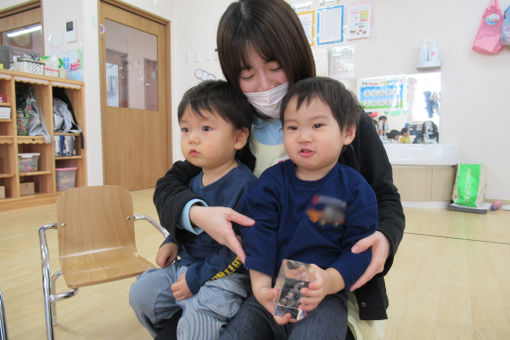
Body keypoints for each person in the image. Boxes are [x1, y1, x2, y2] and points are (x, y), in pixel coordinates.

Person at [153, 0, 405, 338]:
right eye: (247, 74)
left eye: (275, 67)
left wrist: (384, 240)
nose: (264, 85)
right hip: (249, 281)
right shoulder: (235, 129)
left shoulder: (343, 120)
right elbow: (173, 184)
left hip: (330, 288)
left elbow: (384, 195)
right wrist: (197, 214)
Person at [233, 77, 378, 339]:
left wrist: (330, 281)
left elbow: (360, 248)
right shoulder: (272, 181)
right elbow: (258, 232)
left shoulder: (355, 189)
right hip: (271, 291)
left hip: (323, 298)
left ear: (347, 132)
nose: (304, 137)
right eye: (292, 127)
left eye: (318, 125)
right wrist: (261, 286)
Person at [129, 80, 257, 339]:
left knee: (198, 324)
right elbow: (183, 219)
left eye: (206, 128)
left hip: (224, 277)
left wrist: (195, 279)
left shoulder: (245, 186)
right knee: (142, 294)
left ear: (239, 137)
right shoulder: (192, 178)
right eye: (185, 129)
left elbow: (238, 251)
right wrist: (172, 240)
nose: (193, 138)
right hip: (184, 266)